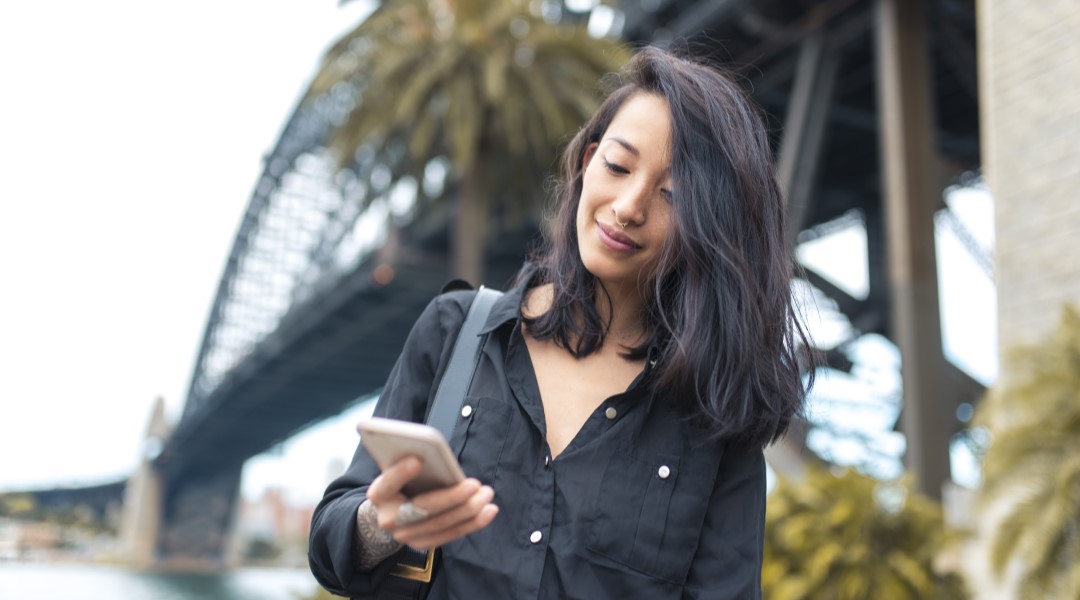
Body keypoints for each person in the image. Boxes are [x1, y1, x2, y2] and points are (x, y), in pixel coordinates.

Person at [308, 45, 813, 599]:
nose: (627, 206)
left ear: (710, 225)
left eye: (672, 196)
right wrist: (380, 525)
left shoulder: (715, 410)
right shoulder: (454, 332)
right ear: (588, 159)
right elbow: (333, 541)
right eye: (617, 166)